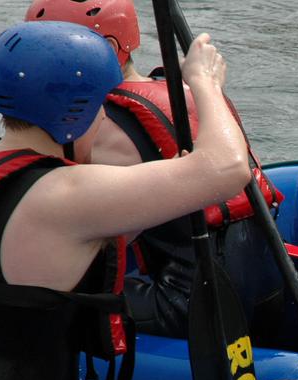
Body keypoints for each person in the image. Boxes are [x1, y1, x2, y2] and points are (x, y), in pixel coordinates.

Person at [0, 20, 250, 380]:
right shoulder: (67, 196)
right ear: (77, 113)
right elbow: (225, 167)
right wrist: (204, 85)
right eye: (104, 108)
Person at [25, 0, 284, 341]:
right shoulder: (185, 89)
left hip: (187, 307)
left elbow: (98, 243)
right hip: (264, 289)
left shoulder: (103, 128)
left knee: (32, 299)